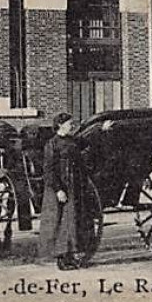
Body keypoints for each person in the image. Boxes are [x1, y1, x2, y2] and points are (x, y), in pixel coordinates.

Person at [39, 112, 89, 270]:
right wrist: (58, 189)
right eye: (68, 123)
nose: (71, 126)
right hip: (59, 187)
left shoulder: (73, 141)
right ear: (60, 125)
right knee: (59, 221)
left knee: (72, 221)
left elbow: (87, 143)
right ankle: (61, 259)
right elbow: (48, 170)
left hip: (73, 185)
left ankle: (70, 256)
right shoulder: (52, 144)